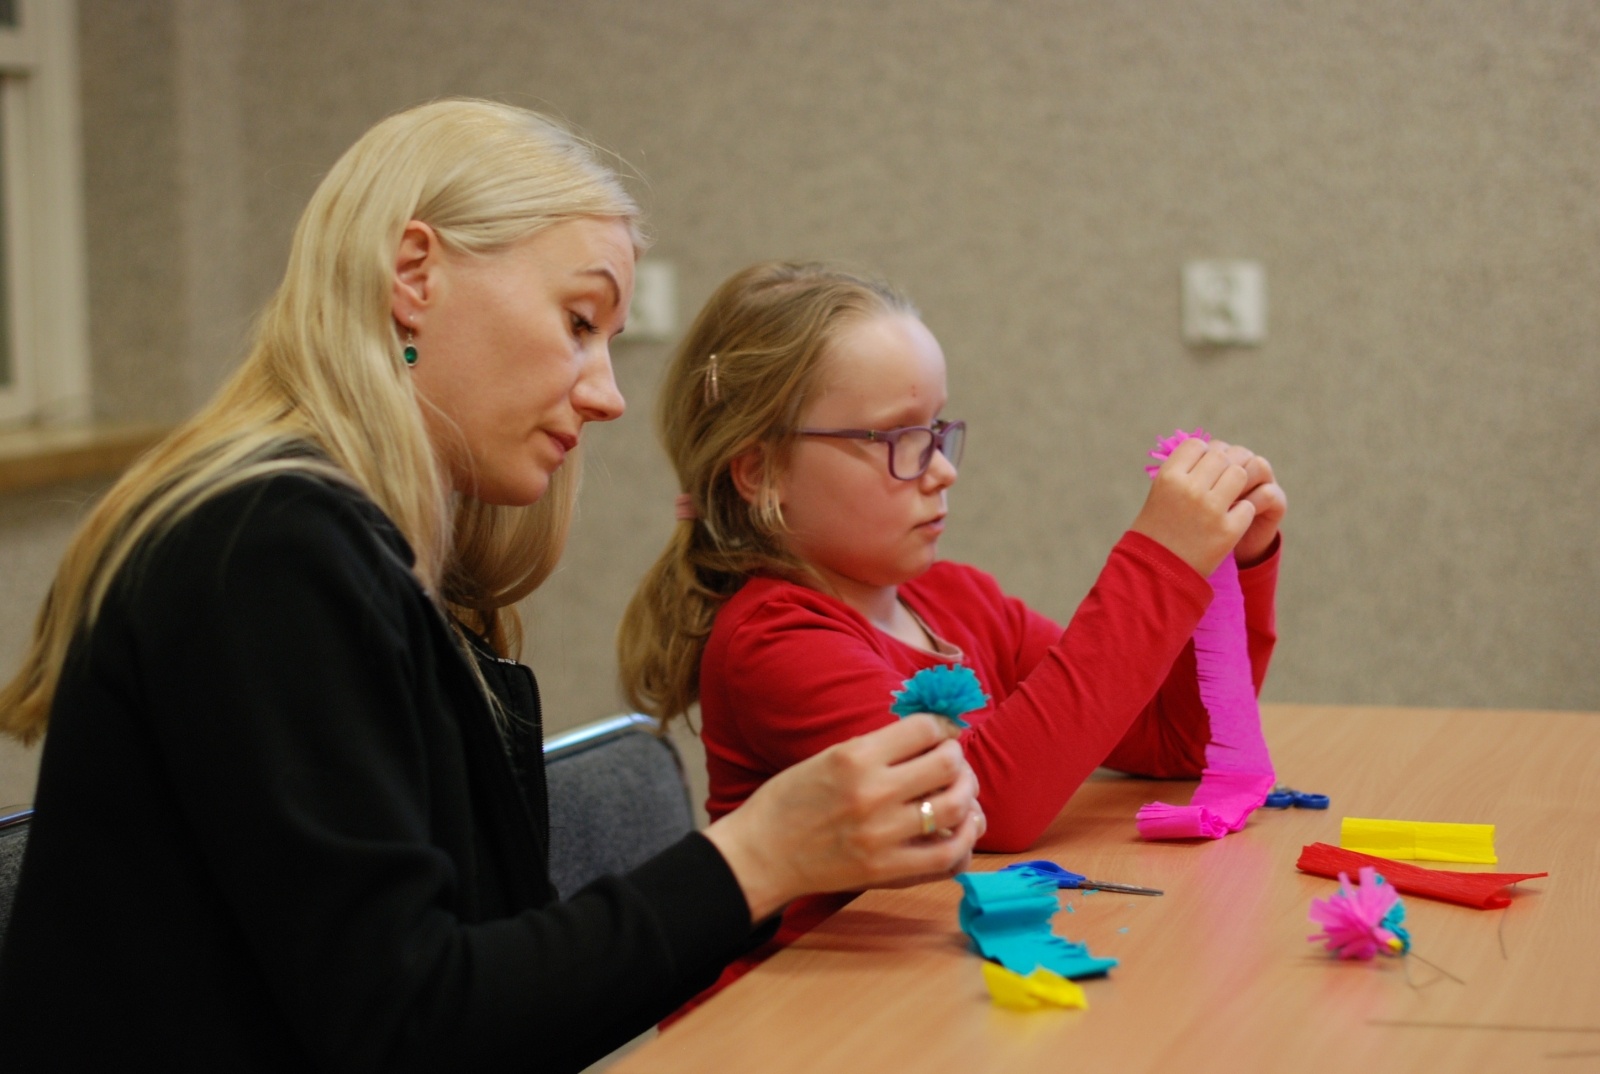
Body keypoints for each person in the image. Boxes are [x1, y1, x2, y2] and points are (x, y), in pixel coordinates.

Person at [0, 104, 982, 1073]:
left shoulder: (375, 568)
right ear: (415, 276)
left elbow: (495, 1000)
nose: (607, 393)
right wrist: (758, 856)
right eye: (578, 322)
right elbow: (413, 1026)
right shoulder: (262, 550)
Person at [618, 261, 1285, 967]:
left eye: (936, 431)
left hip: (927, 981)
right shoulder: (773, 639)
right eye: (896, 440)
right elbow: (989, 806)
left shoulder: (958, 599)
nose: (941, 469)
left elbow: (1177, 741)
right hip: (804, 1017)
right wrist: (1157, 564)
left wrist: (1237, 562)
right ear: (760, 472)